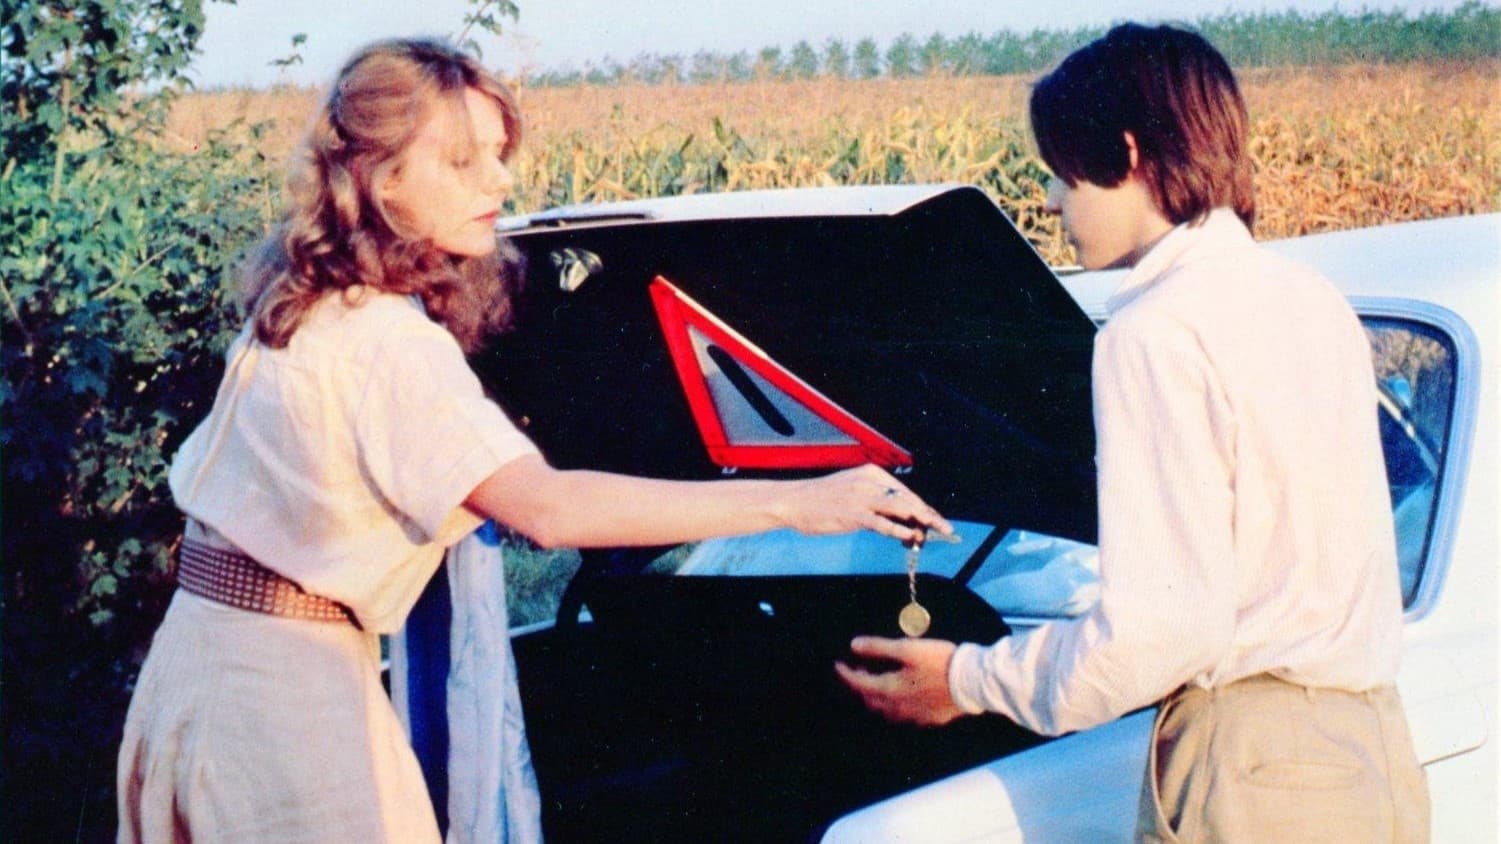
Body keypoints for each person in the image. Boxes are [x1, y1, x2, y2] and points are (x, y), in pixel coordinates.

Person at [116, 37, 950, 843]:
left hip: (205, 662)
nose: (500, 178)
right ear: (379, 177)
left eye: (498, 152)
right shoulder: (386, 339)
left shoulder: (308, 297)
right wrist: (802, 500)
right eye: (462, 160)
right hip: (284, 701)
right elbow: (546, 510)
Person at [835, 23, 1429, 842]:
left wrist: (966, 680)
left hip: (1251, 769)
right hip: (1373, 755)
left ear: (1126, 153)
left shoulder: (1154, 332)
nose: (1051, 200)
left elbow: (1161, 632)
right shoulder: (1309, 298)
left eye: (1061, 171)